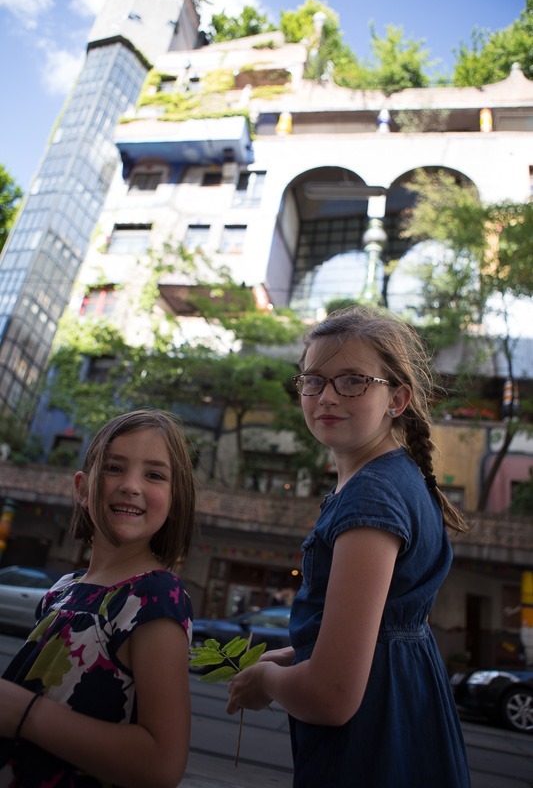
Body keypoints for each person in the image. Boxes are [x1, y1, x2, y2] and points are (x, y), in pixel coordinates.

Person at [226, 305, 472, 787]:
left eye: (353, 381)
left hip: (374, 746)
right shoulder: (396, 478)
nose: (327, 396)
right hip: (404, 721)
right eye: (313, 380)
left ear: (396, 399)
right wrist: (298, 655)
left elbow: (332, 696)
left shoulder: (372, 495)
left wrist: (267, 681)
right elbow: (383, 631)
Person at [0, 409, 196, 787]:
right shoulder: (62, 589)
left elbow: (162, 764)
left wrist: (25, 713)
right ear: (82, 488)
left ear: (175, 501)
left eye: (154, 475)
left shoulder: (156, 597)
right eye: (113, 468)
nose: (131, 485)